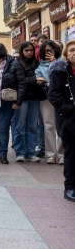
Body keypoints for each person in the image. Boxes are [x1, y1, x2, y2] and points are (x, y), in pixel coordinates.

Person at [45, 40, 75, 202]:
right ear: (66, 55)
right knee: (71, 154)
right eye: (71, 50)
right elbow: (54, 95)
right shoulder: (60, 71)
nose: (74, 53)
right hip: (69, 119)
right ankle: (70, 187)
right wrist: (68, 109)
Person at [13, 41, 44, 163]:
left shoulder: (37, 63)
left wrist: (38, 81)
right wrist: (34, 80)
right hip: (22, 98)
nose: (29, 53)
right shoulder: (16, 64)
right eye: (26, 50)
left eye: (31, 50)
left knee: (32, 126)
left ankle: (30, 152)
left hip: (34, 98)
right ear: (22, 51)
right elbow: (19, 81)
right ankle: (19, 152)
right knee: (20, 126)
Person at [36, 40, 64, 164]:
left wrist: (54, 62)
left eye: (51, 49)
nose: (49, 52)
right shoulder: (40, 67)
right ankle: (51, 154)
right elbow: (39, 81)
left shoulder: (62, 63)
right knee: (48, 126)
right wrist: (42, 83)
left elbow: (62, 77)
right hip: (47, 98)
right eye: (46, 50)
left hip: (62, 98)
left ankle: (62, 154)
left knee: (62, 126)